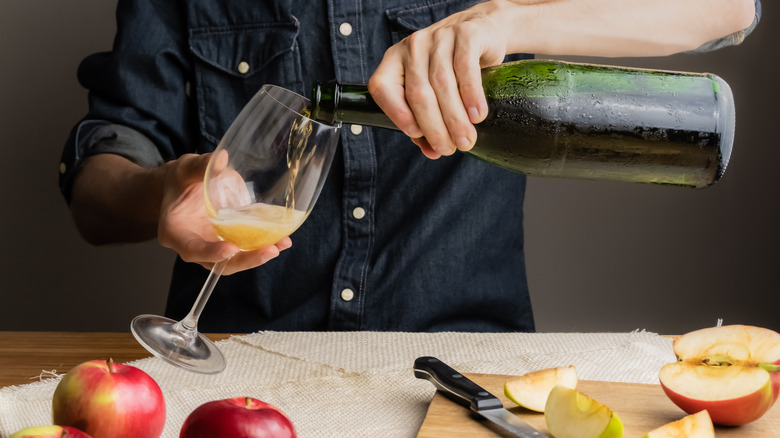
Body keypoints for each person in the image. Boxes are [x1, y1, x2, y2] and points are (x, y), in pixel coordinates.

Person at [59, 0, 761, 333]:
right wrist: (161, 193)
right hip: (245, 366)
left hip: (465, 370)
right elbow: (96, 186)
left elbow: (726, 5)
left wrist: (509, 20)